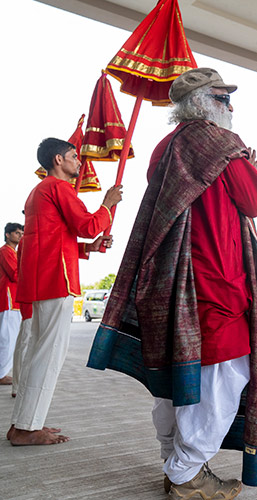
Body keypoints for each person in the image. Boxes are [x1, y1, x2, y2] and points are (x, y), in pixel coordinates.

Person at [86, 68, 257, 496]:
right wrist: (251, 171)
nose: (231, 107)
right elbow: (253, 200)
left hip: (172, 280)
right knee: (226, 374)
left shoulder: (164, 147)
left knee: (176, 373)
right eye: (225, 99)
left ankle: (174, 458)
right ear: (206, 103)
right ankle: (186, 473)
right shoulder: (223, 143)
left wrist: (241, 169)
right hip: (216, 277)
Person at [8, 138, 121, 446]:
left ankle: (23, 423)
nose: (78, 161)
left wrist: (89, 248)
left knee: (38, 353)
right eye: (74, 156)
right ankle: (27, 428)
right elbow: (86, 225)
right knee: (49, 354)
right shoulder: (58, 189)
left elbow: (57, 236)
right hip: (56, 278)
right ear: (58, 159)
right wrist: (107, 205)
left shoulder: (39, 192)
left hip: (44, 278)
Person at [0, 223, 24, 385]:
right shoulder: (5, 251)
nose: (20, 236)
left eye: (22, 233)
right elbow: (15, 274)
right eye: (17, 233)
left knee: (10, 337)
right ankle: (2, 374)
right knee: (7, 338)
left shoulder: (13, 252)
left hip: (15, 300)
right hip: (9, 299)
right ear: (7, 235)